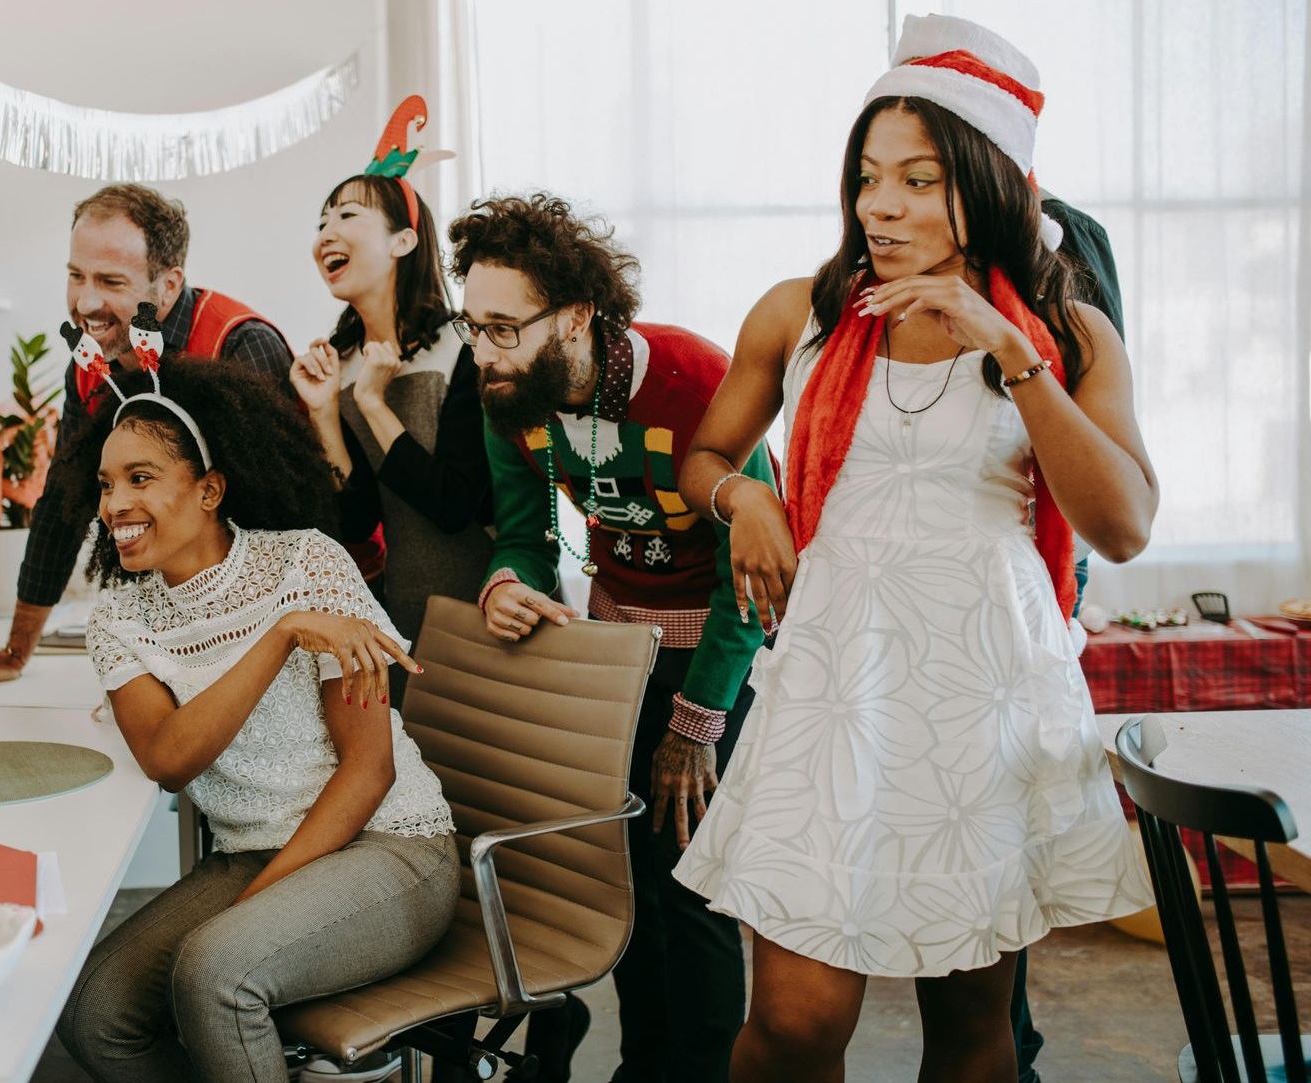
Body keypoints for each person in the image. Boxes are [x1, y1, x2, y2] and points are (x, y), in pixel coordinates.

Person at [672, 22, 1157, 1081]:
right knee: (794, 1026)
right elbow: (704, 453)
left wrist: (1009, 347)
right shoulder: (801, 312)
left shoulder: (1067, 334)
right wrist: (743, 499)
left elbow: (1123, 525)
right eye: (867, 177)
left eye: (918, 180)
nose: (879, 206)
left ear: (989, 184)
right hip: (830, 689)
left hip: (981, 701)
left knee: (972, 1030)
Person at [51, 355, 459, 1082]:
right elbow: (169, 758)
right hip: (250, 852)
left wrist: (256, 904)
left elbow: (370, 770)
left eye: (141, 477)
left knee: (214, 971)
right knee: (95, 1011)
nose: (115, 504)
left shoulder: (308, 562)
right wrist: (278, 636)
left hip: (390, 846)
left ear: (209, 489)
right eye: (107, 485)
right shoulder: (118, 617)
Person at [448, 193, 777, 1083]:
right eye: (473, 326)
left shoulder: (698, 380)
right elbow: (523, 537)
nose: (484, 352)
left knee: (691, 883)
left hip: (720, 654)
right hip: (615, 651)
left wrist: (696, 723)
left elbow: (749, 579)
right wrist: (506, 585)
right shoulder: (509, 394)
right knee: (627, 881)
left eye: (505, 328)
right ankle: (645, 1066)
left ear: (577, 314)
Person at [0, 183, 294, 687]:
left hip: (271, 639)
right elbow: (63, 501)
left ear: (168, 285)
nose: (85, 301)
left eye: (111, 281)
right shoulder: (91, 364)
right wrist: (15, 651)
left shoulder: (240, 345)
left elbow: (280, 531)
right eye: (76, 276)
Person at [289, 170, 494, 646]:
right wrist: (323, 413)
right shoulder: (339, 367)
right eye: (321, 223)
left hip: (491, 613)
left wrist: (373, 404)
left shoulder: (467, 346)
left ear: (403, 241)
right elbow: (357, 521)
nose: (325, 235)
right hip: (401, 618)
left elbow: (453, 506)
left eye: (347, 215)